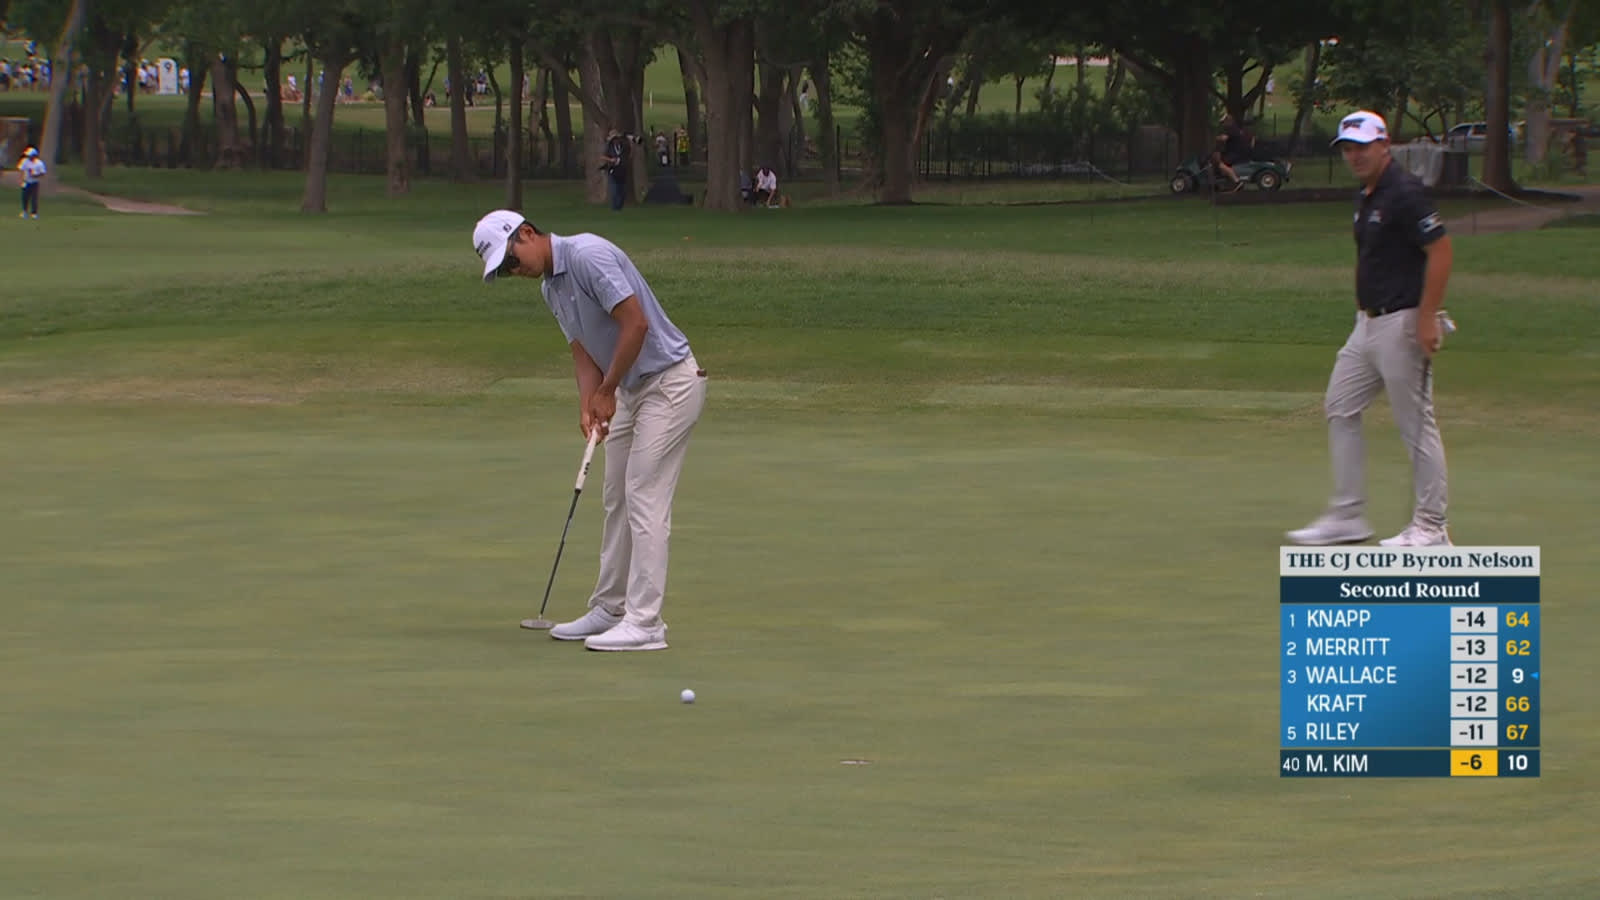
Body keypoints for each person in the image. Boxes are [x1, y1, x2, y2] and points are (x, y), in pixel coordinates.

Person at [471, 209, 708, 651]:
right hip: (631, 389)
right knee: (616, 496)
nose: (513, 271)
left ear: (527, 233)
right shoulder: (550, 288)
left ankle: (646, 622)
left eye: (510, 260)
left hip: (670, 382)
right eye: (503, 271)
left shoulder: (587, 255)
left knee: (643, 494)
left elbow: (636, 323)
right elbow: (582, 351)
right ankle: (609, 608)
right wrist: (589, 402)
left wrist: (608, 389)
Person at [1288, 111, 1455, 548]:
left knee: (1415, 425)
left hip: (1403, 322)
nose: (1354, 155)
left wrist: (1427, 316)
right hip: (1367, 325)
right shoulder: (1367, 195)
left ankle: (1432, 526)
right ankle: (1348, 516)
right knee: (1340, 405)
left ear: (1384, 145)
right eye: (1347, 148)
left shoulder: (1405, 192)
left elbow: (1440, 251)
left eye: (1362, 147)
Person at [601, 129, 630, 211]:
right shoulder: (608, 147)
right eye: (614, 139)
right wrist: (611, 160)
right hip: (613, 170)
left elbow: (629, 153)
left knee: (623, 191)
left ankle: (619, 207)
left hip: (622, 170)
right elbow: (602, 156)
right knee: (614, 190)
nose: (616, 140)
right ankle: (615, 208)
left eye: (617, 138)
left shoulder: (623, 146)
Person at [17, 146, 45, 219]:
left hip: (34, 183)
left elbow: (42, 173)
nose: (28, 157)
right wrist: (21, 180)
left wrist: (35, 175)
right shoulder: (24, 161)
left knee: (34, 198)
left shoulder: (39, 163)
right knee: (25, 197)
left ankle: (34, 213)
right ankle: (24, 212)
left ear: (34, 156)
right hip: (26, 182)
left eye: (30, 155)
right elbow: (21, 170)